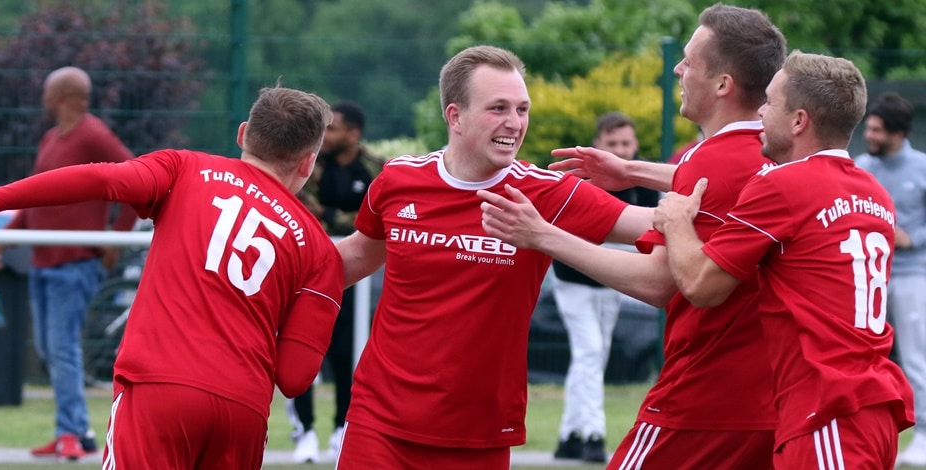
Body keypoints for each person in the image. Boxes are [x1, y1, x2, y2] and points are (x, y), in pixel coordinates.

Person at [0, 86, 344, 469]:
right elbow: (294, 377)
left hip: (159, 387)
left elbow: (100, 179)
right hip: (243, 410)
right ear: (308, 162)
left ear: (242, 134)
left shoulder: (185, 167)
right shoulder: (320, 251)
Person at [478, 4, 787, 468]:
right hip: (774, 399)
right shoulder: (778, 155)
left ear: (723, 84)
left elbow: (658, 282)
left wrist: (542, 235)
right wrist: (629, 170)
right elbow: (718, 182)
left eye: (689, 61)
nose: (678, 69)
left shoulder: (710, 160)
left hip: (703, 396)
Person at [333, 45, 651, 469]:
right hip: (379, 424)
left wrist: (645, 173)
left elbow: (656, 223)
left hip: (480, 434)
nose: (514, 123)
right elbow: (356, 255)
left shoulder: (544, 192)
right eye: (498, 108)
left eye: (522, 109)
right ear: (455, 116)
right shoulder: (399, 179)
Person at [653, 50, 914, 469]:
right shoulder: (874, 193)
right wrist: (632, 170)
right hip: (873, 407)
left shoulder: (783, 185)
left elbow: (701, 285)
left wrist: (675, 221)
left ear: (798, 121)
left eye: (770, 103)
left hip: (827, 410)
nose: (759, 112)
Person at [0, 66, 139, 460]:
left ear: (63, 96)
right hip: (43, 259)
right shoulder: (52, 138)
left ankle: (69, 432)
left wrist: (116, 239)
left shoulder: (93, 135)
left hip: (75, 263)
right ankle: (79, 431)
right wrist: (6, 237)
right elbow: (34, 196)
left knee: (62, 347)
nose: (43, 98)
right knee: (50, 348)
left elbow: (136, 179)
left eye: (48, 91)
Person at [550, 112, 658, 463]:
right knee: (590, 350)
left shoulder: (644, 183)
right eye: (613, 144)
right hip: (574, 280)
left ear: (635, 143)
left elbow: (653, 233)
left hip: (613, 282)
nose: (621, 150)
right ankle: (594, 435)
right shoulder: (584, 178)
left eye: (626, 143)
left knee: (592, 355)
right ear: (598, 144)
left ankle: (569, 436)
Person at [289, 100, 382, 463]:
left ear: (353, 134)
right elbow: (301, 209)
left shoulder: (375, 169)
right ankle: (305, 432)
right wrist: (344, 220)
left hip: (353, 279)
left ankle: (343, 429)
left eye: (333, 128)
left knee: (347, 355)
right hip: (306, 273)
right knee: (300, 353)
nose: (324, 135)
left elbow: (374, 219)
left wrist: (331, 215)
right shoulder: (307, 164)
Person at [854, 92, 926, 466]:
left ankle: (924, 434)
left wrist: (914, 238)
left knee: (915, 357)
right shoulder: (862, 167)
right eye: (868, 128)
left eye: (877, 130)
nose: (869, 135)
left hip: (913, 276)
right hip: (867, 278)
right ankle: (871, 433)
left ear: (898, 134)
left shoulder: (922, 167)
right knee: (866, 356)